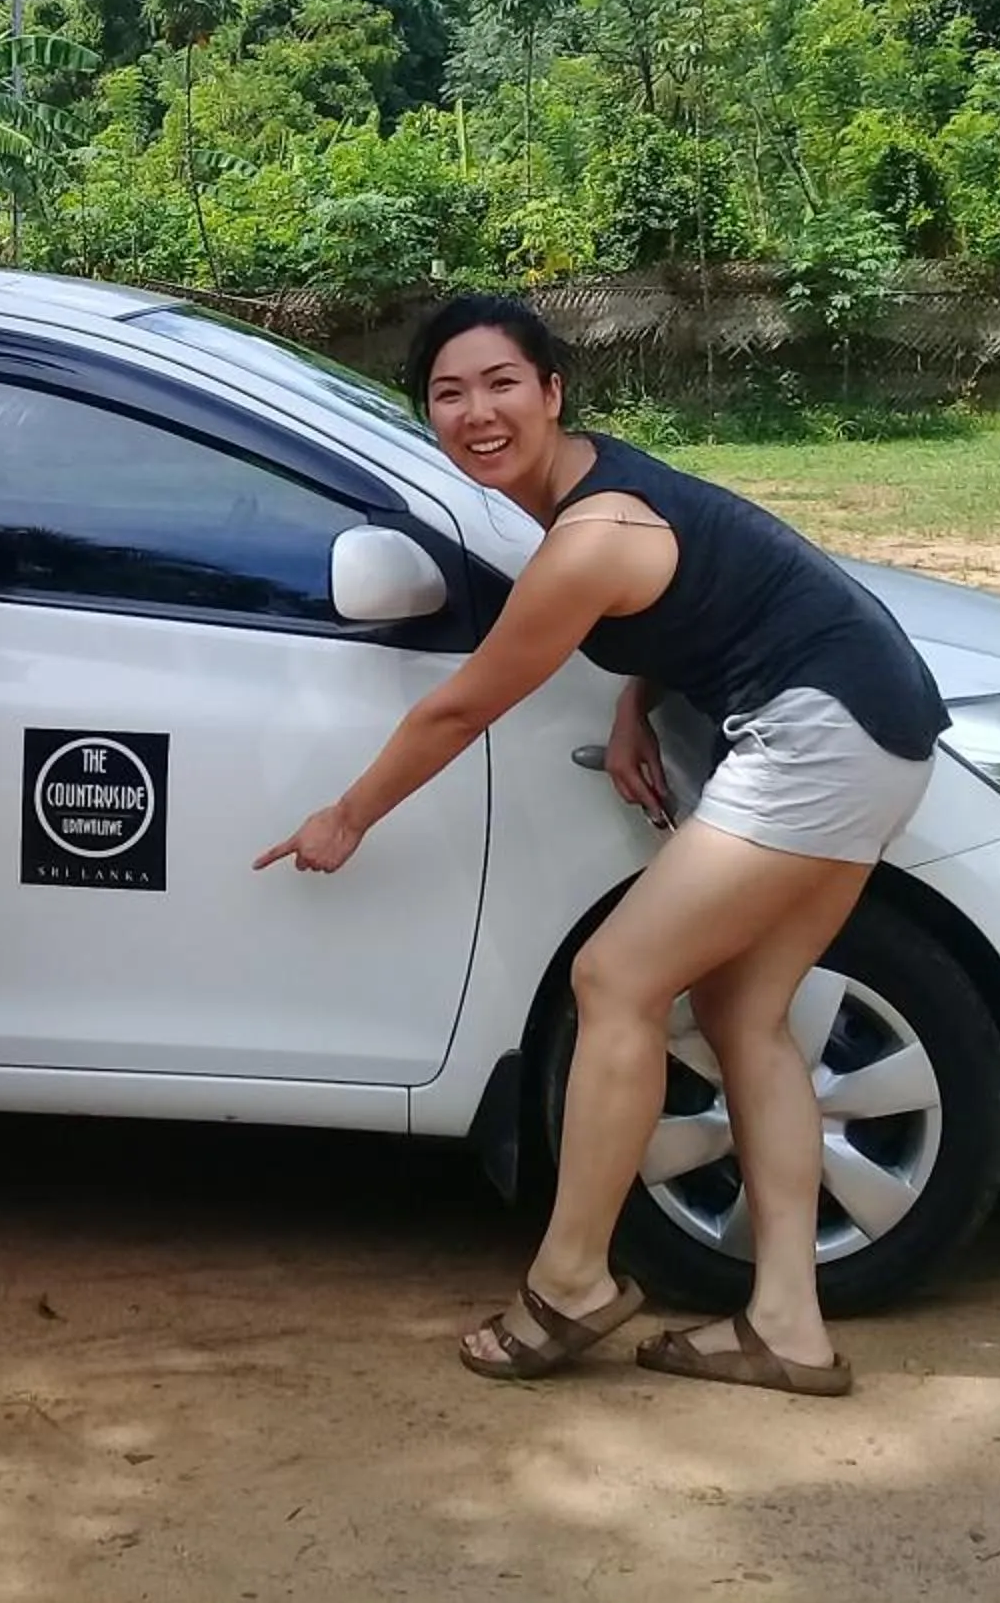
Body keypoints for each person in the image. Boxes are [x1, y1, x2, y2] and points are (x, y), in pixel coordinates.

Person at [257, 294, 946, 1399]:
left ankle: (571, 1282)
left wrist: (346, 817)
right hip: (878, 731)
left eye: (500, 385)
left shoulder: (588, 538)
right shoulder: (598, 494)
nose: (476, 412)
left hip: (821, 740)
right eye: (448, 393)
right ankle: (786, 1326)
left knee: (614, 979)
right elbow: (712, 597)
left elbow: (459, 708)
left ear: (552, 393)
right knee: (743, 1013)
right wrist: (639, 696)